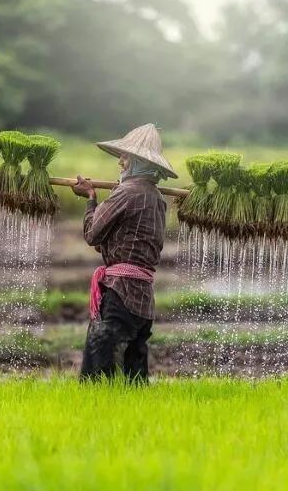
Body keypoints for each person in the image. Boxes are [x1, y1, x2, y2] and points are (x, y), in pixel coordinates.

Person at [71, 123, 177, 383]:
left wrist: (90, 197)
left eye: (126, 157)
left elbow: (92, 235)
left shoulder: (126, 193)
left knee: (98, 359)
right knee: (134, 366)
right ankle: (133, 409)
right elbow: (117, 241)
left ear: (139, 163)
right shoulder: (156, 198)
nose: (120, 161)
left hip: (121, 291)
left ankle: (94, 407)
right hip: (143, 296)